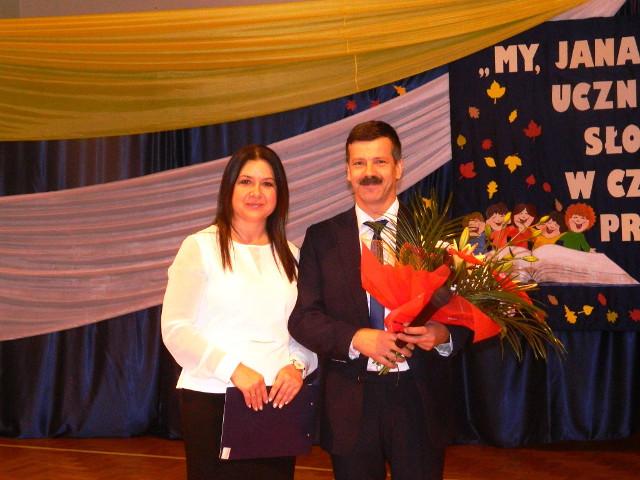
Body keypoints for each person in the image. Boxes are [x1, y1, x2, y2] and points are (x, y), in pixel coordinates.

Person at [288, 121, 471, 480]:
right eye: (359, 163)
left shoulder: (434, 232)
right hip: (350, 402)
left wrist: (442, 335)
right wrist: (357, 338)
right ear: (347, 172)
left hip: (419, 400)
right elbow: (304, 318)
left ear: (399, 168)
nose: (368, 172)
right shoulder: (321, 238)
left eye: (380, 162)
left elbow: (466, 312)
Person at [161, 144, 317, 480]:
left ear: (280, 193)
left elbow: (305, 329)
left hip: (277, 401)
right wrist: (233, 368)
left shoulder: (293, 255)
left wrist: (298, 366)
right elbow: (175, 328)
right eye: (246, 181)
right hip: (213, 396)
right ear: (229, 187)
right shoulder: (199, 247)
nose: (256, 192)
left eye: (267, 183)